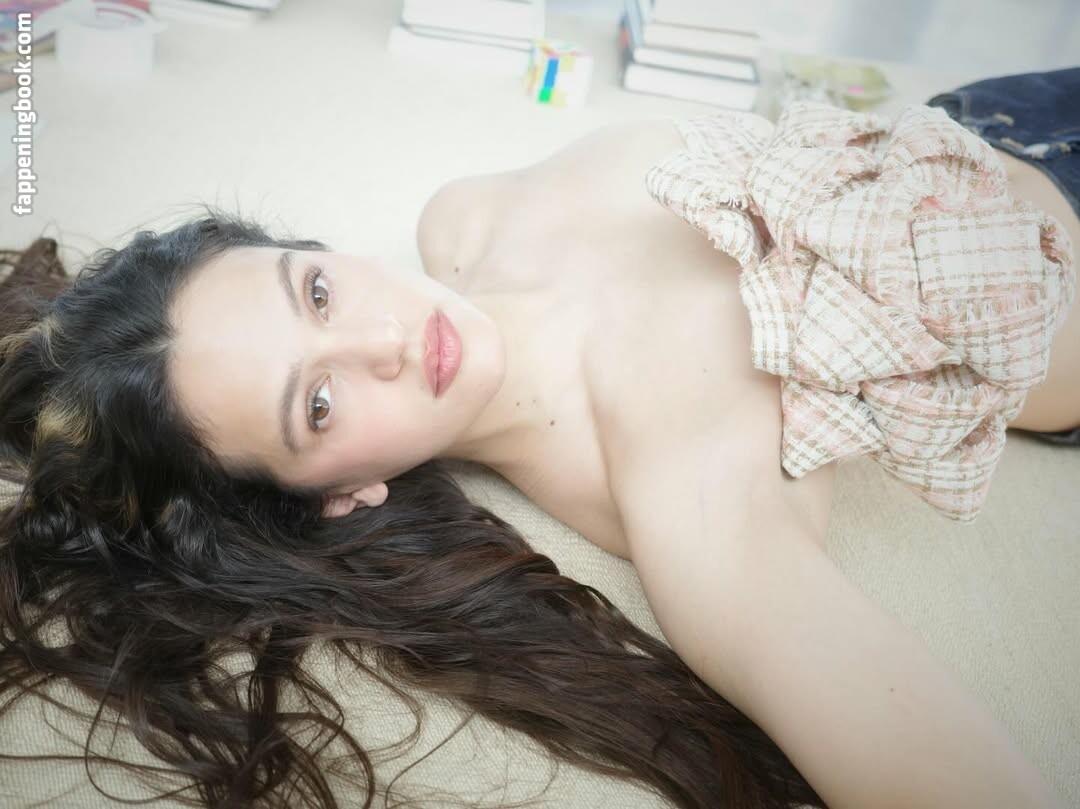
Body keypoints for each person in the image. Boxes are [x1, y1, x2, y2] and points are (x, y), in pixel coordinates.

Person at [1, 66, 1076, 809]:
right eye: (317, 406)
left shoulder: (463, 219)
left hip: (991, 113)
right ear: (337, 495)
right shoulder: (688, 494)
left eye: (317, 289)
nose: (385, 339)